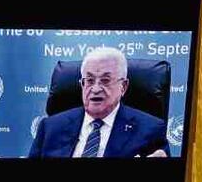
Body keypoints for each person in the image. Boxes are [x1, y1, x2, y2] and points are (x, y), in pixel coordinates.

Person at [28, 46, 169, 158]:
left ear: (123, 86)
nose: (95, 89)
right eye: (89, 80)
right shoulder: (49, 128)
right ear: (82, 84)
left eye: (105, 80)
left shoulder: (151, 131)